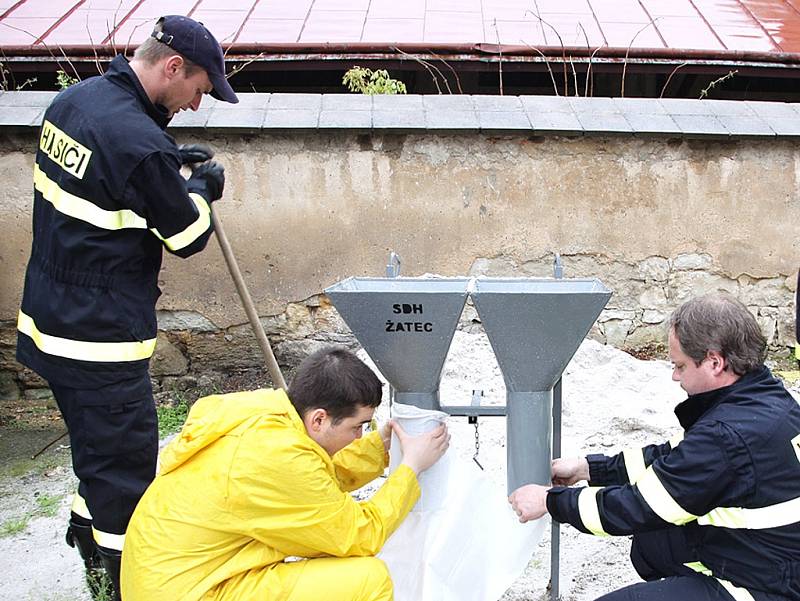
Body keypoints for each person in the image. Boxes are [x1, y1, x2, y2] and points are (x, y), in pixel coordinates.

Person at [15, 14, 239, 598]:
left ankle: (86, 545)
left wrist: (164, 158)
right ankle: (121, 582)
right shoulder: (138, 145)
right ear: (173, 67)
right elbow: (188, 236)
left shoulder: (73, 104)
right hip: (100, 339)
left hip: (50, 322)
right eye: (199, 89)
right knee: (124, 473)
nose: (196, 104)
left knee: (94, 452)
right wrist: (199, 189)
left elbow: (108, 184)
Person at [510, 294, 800, 601]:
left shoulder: (725, 435)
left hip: (767, 585)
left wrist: (551, 501)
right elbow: (674, 458)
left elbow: (636, 507)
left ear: (715, 362)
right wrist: (588, 469)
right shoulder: (765, 399)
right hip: (769, 554)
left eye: (681, 366)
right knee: (651, 546)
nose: (675, 376)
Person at [119, 346, 449, 601]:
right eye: (357, 427)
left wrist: (381, 447)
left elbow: (316, 483)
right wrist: (410, 468)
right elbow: (360, 537)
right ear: (319, 419)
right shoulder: (279, 458)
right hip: (195, 592)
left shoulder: (268, 417)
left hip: (172, 581)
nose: (359, 436)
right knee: (369, 579)